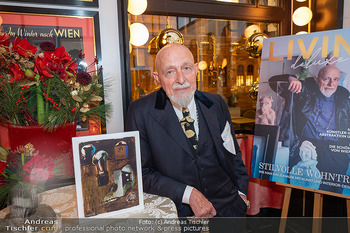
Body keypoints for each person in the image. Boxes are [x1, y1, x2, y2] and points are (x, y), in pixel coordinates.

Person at [125, 44, 249, 222]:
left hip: (230, 210)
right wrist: (188, 194)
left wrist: (241, 194)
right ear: (157, 78)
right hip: (180, 216)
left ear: (196, 70)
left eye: (186, 68)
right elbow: (139, 173)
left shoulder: (215, 103)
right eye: (170, 72)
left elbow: (233, 154)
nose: (181, 79)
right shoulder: (140, 112)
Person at [279, 65, 350, 192]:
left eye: (335, 79)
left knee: (333, 195)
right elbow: (275, 84)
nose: (331, 84)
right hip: (306, 148)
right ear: (317, 79)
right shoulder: (306, 93)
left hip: (334, 154)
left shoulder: (345, 100)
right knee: (301, 191)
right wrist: (290, 78)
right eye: (326, 79)